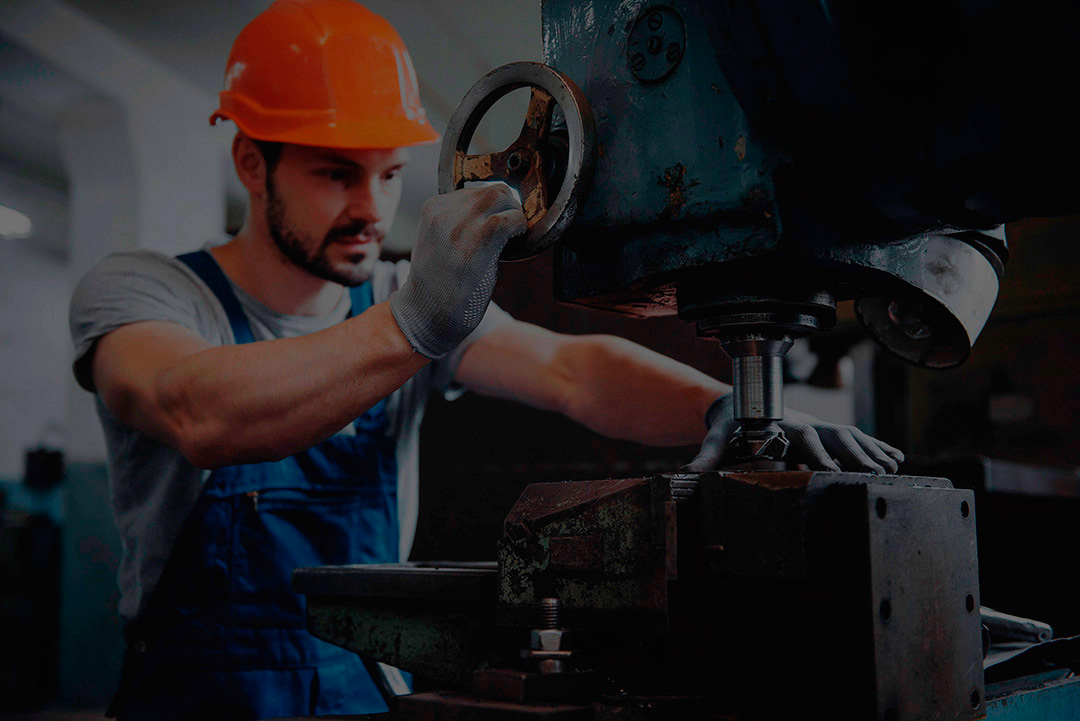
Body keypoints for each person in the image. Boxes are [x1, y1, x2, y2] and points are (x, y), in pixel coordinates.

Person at [68, 1, 904, 718]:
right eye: (335, 174)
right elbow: (195, 410)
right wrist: (412, 325)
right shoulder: (145, 292)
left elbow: (571, 371)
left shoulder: (391, 297)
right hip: (195, 696)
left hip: (366, 688)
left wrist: (721, 405)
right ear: (253, 164)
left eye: (389, 176)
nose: (371, 209)